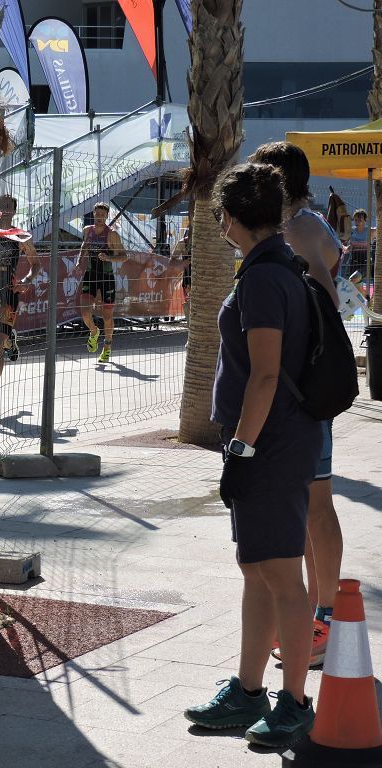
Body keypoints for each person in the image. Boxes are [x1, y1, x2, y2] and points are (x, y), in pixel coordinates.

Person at [184, 162, 319, 748]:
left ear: (230, 218)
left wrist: (240, 450)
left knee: (282, 574)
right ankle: (247, 688)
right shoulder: (278, 266)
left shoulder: (265, 278)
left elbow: (265, 375)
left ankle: (293, 700)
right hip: (276, 441)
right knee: (258, 569)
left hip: (272, 443)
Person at [249, 141, 343, 668]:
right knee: (304, 507)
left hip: (305, 391)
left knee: (317, 505)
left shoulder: (301, 229)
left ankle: (325, 618)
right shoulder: (298, 227)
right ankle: (309, 616)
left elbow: (326, 305)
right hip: (297, 390)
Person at [0, 195, 41, 412]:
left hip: (8, 293)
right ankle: (11, 340)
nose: (6, 209)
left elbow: (35, 263)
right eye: (2, 205)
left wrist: (27, 280)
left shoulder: (20, 236)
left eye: (10, 206)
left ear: (15, 211)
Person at [76, 202, 127, 362]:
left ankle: (107, 347)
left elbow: (124, 256)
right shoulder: (87, 230)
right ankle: (93, 332)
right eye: (97, 214)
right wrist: (79, 260)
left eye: (102, 215)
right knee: (85, 311)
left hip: (106, 277)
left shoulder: (112, 235)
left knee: (107, 316)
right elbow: (84, 245)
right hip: (91, 275)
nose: (99, 217)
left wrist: (109, 257)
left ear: (106, 216)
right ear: (93, 214)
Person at [346, 208, 370, 284]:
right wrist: (347, 248)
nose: (357, 222)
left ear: (365, 221)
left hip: (365, 263)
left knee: (354, 278)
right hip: (353, 261)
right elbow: (347, 245)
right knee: (355, 285)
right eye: (355, 220)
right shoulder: (351, 231)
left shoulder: (370, 231)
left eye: (360, 220)